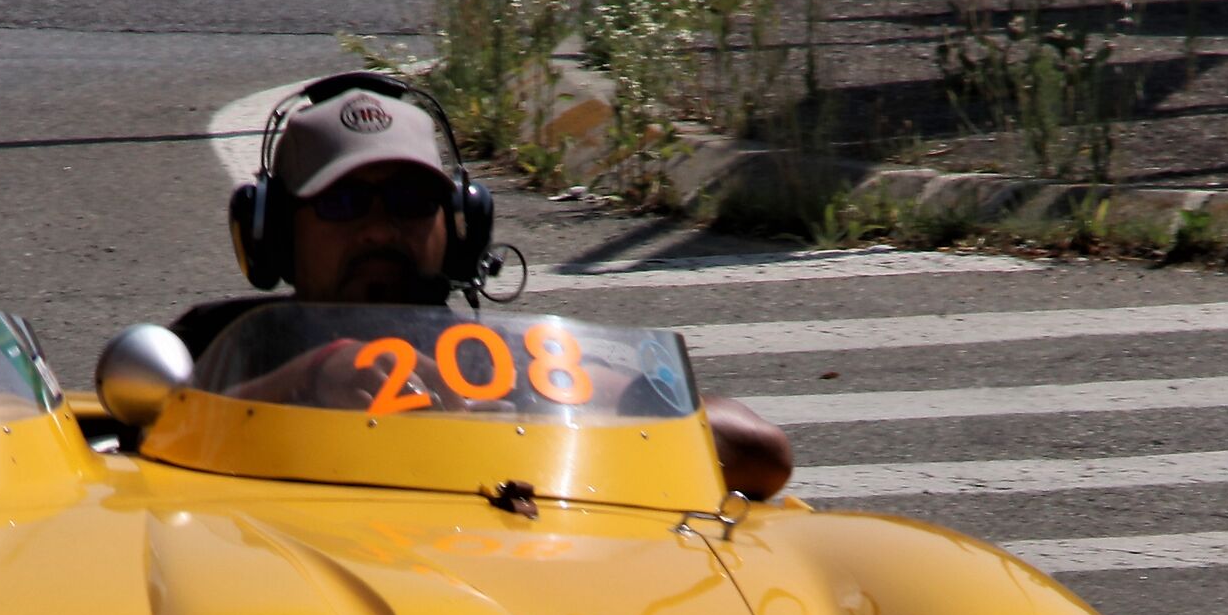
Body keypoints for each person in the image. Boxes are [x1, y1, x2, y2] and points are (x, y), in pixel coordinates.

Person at [170, 77, 794, 501]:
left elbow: (762, 453)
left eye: (413, 201)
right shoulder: (211, 351)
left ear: (461, 228)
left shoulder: (499, 365)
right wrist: (309, 378)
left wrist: (548, 420)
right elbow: (123, 457)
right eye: (345, 202)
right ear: (275, 234)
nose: (380, 228)